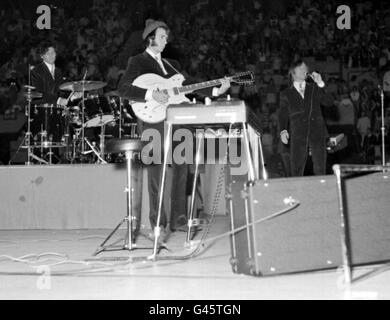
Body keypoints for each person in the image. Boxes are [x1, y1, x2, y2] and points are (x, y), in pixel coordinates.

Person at [118, 19, 230, 242]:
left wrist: (217, 89)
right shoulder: (138, 61)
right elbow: (123, 89)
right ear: (150, 38)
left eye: (166, 36)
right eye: (162, 36)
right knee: (156, 173)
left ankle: (178, 219)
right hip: (153, 120)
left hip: (178, 120)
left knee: (182, 167)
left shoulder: (172, 65)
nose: (166, 39)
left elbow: (192, 84)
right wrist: (151, 95)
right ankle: (157, 222)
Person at [279, 60, 328, 176]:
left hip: (317, 130)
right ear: (293, 73)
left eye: (305, 68)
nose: (304, 70)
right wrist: (283, 130)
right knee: (296, 167)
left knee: (320, 167)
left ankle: (322, 189)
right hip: (297, 132)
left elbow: (328, 102)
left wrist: (320, 83)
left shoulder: (315, 88)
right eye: (300, 68)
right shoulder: (286, 93)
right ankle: (297, 191)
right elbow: (282, 113)